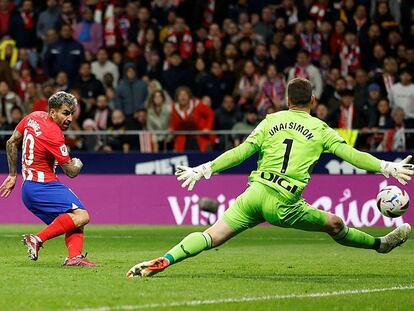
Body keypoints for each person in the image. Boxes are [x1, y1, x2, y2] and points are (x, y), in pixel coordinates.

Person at [127, 78, 413, 278]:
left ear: (287, 101)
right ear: (313, 100)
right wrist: (385, 166)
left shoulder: (270, 120)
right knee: (335, 223)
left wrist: (204, 169)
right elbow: (350, 154)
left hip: (253, 194)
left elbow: (241, 152)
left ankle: (167, 258)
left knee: (211, 236)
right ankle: (381, 245)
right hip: (283, 203)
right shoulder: (321, 128)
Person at [0, 91, 96, 266]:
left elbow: (11, 142)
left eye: (72, 114)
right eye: (65, 113)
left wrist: (13, 175)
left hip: (29, 188)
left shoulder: (33, 117)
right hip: (43, 185)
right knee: (82, 215)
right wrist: (78, 163)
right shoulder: (54, 134)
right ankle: (37, 239)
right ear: (52, 112)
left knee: (74, 219)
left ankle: (74, 257)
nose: (70, 118)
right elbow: (71, 172)